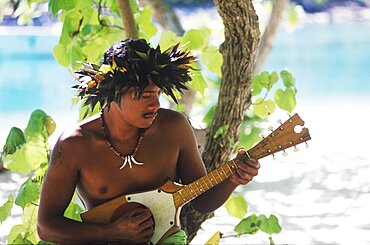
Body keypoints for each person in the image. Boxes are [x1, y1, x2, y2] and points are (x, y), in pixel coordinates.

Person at [37, 38, 260, 244]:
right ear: (112, 94)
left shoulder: (174, 128)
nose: (155, 104)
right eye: (144, 96)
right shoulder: (76, 145)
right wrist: (112, 232)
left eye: (158, 94)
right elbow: (46, 226)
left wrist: (233, 179)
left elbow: (202, 203)